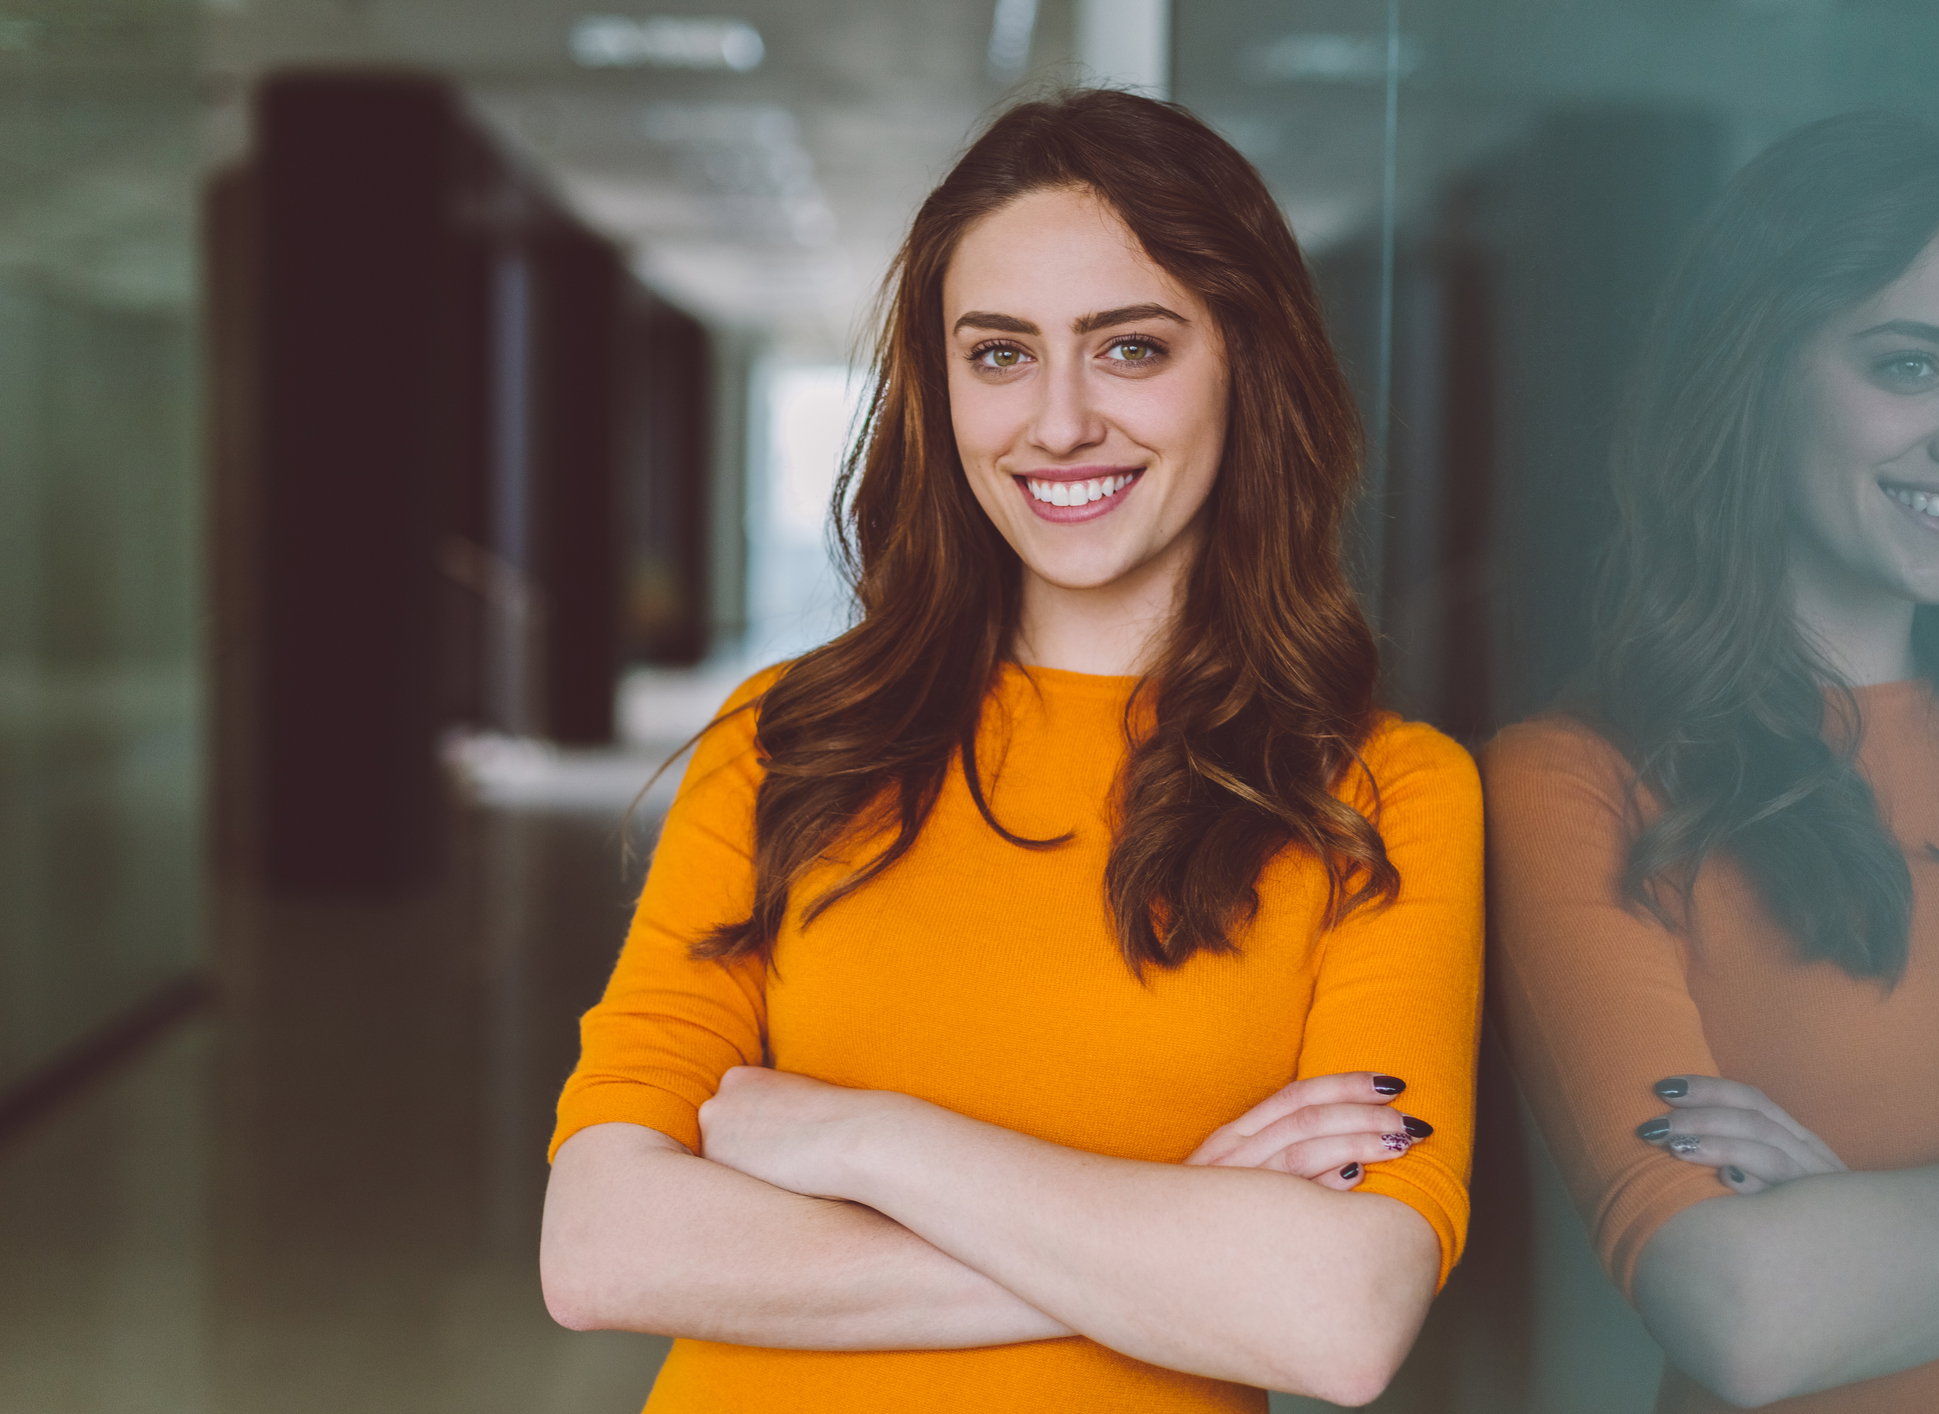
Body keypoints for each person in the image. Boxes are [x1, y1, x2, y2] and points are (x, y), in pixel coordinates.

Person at [539, 89, 1483, 1413]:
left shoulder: (1380, 795)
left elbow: (1338, 1319)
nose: (1058, 422)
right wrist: (1178, 1239)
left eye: (1130, 348)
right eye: (998, 354)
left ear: (1246, 362)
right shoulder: (787, 741)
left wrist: (865, 1140)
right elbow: (601, 1247)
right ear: (939, 390)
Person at [1486, 110, 1939, 1412]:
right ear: (1756, 371)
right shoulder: (1578, 784)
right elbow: (1747, 1315)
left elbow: (1807, 1293)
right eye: (1910, 365)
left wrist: (1855, 1229)